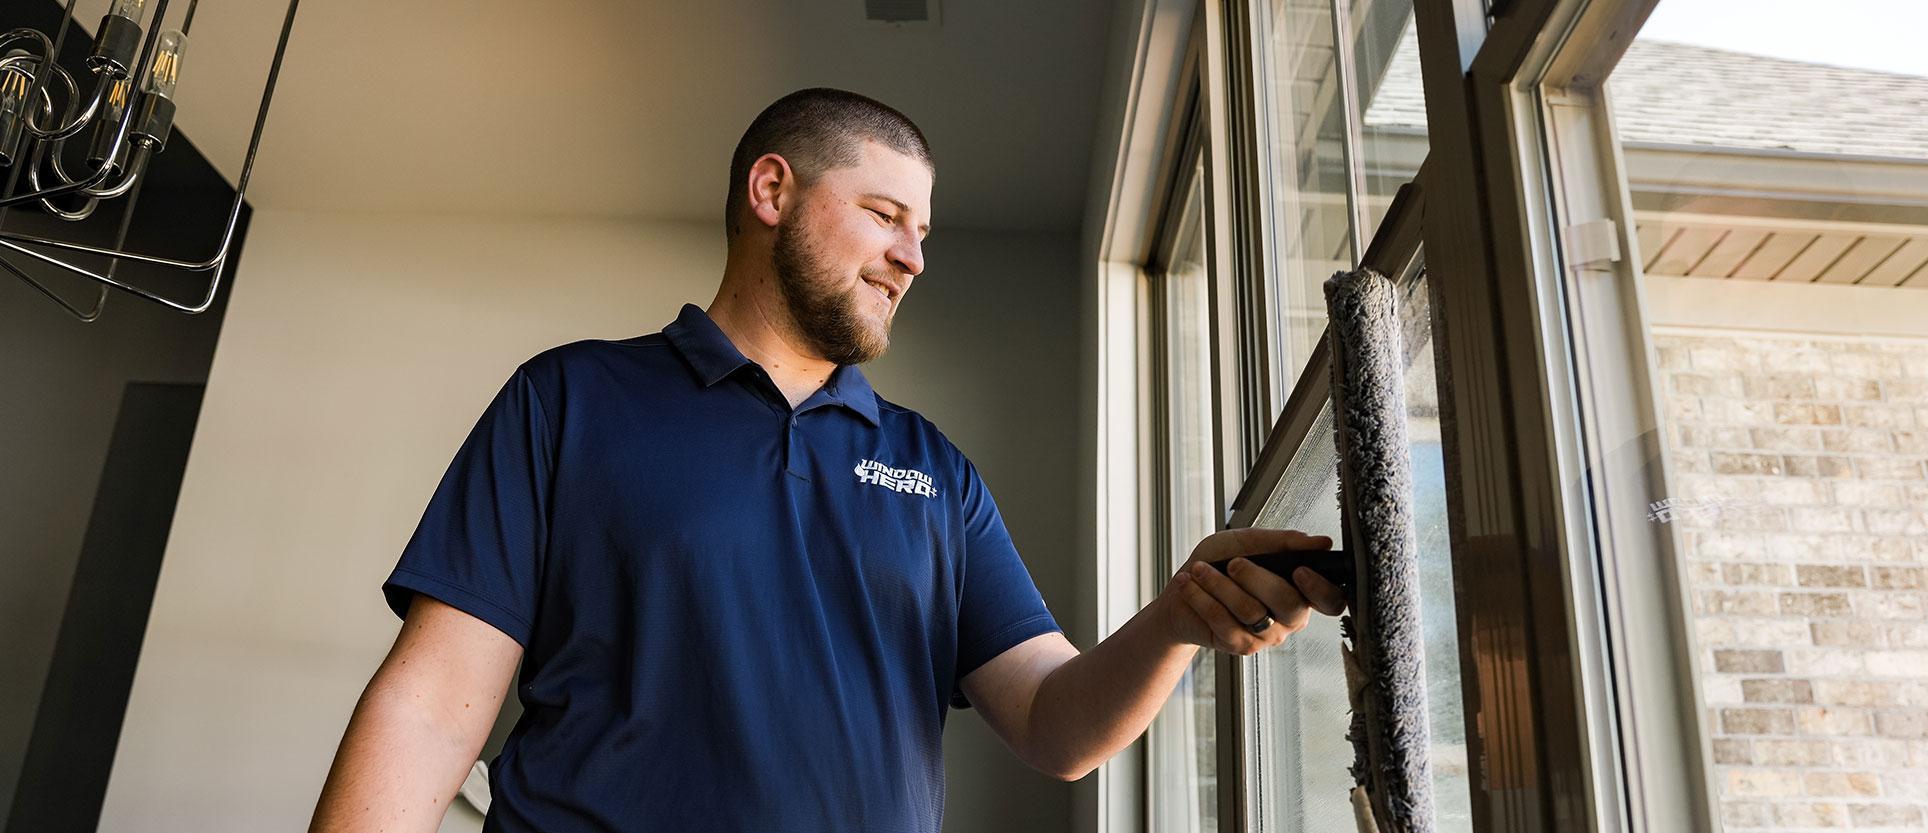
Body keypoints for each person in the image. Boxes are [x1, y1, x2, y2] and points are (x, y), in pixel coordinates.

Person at [307, 87, 1347, 833]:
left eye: (923, 232)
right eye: (886, 215)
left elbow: (1051, 719)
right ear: (772, 190)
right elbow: (433, 702)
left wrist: (1176, 618)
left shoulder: (935, 472)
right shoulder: (569, 398)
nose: (913, 257)